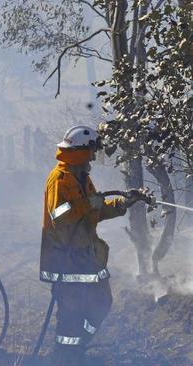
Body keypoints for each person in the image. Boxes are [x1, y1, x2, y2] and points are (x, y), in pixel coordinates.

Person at [41, 125, 142, 365]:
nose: (94, 157)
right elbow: (59, 214)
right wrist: (88, 204)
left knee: (102, 303)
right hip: (66, 257)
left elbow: (95, 211)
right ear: (80, 152)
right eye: (92, 152)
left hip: (87, 256)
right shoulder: (60, 179)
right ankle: (65, 356)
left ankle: (79, 345)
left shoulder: (82, 178)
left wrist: (123, 204)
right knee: (71, 313)